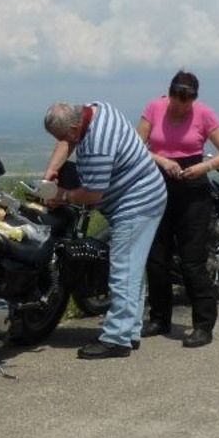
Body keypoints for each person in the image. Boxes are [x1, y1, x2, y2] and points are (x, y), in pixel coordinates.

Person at [42, 101, 167, 359]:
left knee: (123, 270)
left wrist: (61, 195)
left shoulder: (98, 144)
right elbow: (67, 143)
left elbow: (91, 194)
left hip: (137, 203)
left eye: (65, 136)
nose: (63, 142)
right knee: (132, 269)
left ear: (75, 128)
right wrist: (51, 171)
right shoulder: (96, 108)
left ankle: (116, 339)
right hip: (146, 194)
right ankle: (129, 331)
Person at [138, 70, 219, 348]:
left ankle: (203, 325)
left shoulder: (204, 114)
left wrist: (204, 166)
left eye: (186, 103)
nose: (180, 108)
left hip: (193, 190)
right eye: (176, 102)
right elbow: (137, 145)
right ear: (169, 95)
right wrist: (161, 160)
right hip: (157, 183)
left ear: (194, 99)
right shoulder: (154, 108)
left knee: (192, 261)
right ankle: (159, 318)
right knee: (157, 258)